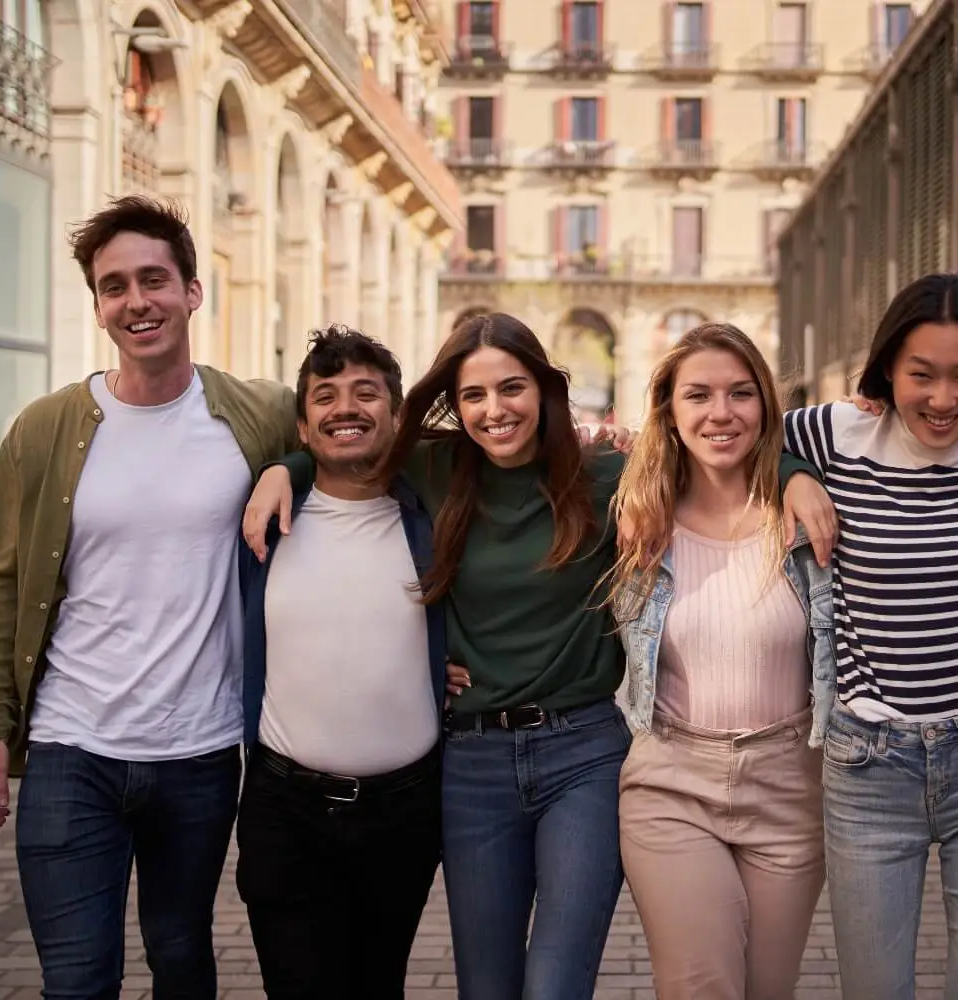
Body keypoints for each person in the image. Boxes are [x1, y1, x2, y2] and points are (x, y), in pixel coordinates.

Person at [241, 312, 832, 1000]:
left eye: (512, 388)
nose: (495, 411)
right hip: (474, 766)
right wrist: (289, 466)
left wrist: (793, 474)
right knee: (486, 988)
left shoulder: (611, 475)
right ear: (455, 407)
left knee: (554, 986)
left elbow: (712, 455)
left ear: (546, 389)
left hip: (583, 757)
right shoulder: (436, 469)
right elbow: (351, 446)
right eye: (473, 396)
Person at [0, 196, 297, 999]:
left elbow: (362, 449)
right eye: (115, 287)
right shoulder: (46, 428)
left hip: (201, 753)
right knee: (76, 981)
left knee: (180, 958)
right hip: (73, 745)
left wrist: (292, 467)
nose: (136, 301)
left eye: (153, 280)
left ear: (191, 292)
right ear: (100, 306)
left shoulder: (256, 415)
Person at [783, 273, 958, 1000]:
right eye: (921, 376)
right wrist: (791, 476)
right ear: (887, 370)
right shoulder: (835, 434)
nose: (943, 399)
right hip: (868, 766)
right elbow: (728, 439)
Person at [611, 322, 834, 999]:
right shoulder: (634, 512)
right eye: (699, 395)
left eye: (741, 393)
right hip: (672, 784)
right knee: (700, 985)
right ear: (670, 414)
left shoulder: (808, 520)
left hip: (792, 786)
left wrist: (795, 474)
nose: (721, 413)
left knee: (767, 988)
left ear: (766, 407)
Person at [234, 326, 445, 999]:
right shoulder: (259, 525)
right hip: (285, 809)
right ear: (302, 424)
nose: (345, 408)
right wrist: (281, 470)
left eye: (365, 393)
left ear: (396, 413)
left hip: (405, 814)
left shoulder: (436, 521)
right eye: (325, 396)